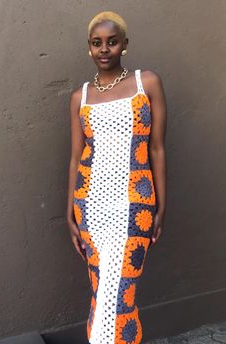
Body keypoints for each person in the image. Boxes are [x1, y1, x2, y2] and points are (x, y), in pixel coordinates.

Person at [67, 10, 167, 344]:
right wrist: (70, 212)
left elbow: (156, 150)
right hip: (91, 208)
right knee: (100, 294)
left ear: (124, 44)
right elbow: (75, 156)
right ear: (89, 49)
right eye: (97, 43)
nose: (104, 49)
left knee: (121, 298)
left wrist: (161, 207)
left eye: (112, 42)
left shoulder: (146, 82)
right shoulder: (80, 97)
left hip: (135, 206)